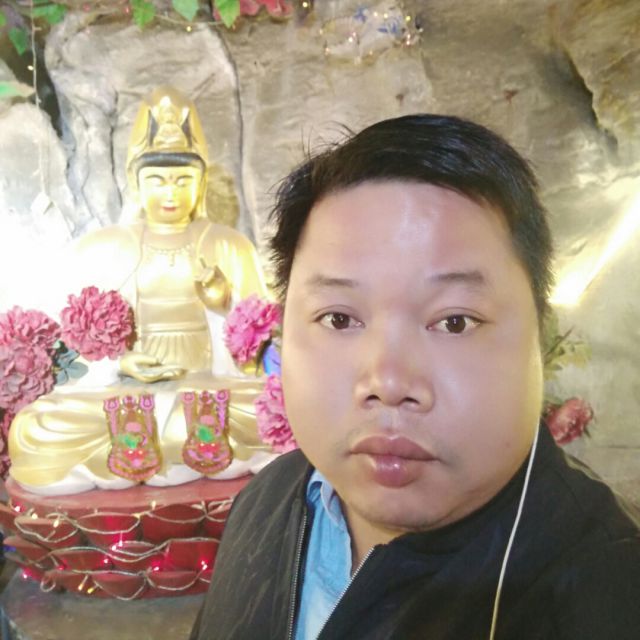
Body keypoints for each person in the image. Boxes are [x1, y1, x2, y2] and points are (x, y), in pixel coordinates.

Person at [190, 114, 640, 639]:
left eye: (455, 322)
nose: (387, 382)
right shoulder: (264, 500)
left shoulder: (608, 589)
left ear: (539, 337)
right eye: (339, 318)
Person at [8, 87, 274, 495]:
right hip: (126, 397)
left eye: (183, 180)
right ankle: (177, 446)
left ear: (201, 182)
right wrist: (120, 363)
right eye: (157, 180)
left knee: (277, 410)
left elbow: (266, 350)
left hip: (211, 392)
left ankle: (152, 449)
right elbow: (73, 351)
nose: (170, 193)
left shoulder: (229, 245)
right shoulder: (104, 247)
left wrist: (225, 306)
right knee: (36, 429)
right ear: (135, 181)